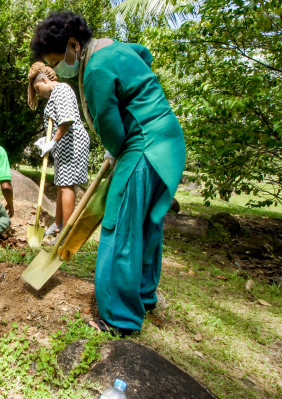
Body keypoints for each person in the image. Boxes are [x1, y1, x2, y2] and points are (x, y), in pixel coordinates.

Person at [30, 11, 187, 336]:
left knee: (120, 226)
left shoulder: (96, 69)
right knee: (146, 224)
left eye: (58, 61)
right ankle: (144, 298)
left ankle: (120, 319)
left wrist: (114, 151)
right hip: (167, 141)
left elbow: (112, 130)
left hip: (142, 145)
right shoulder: (113, 47)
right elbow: (145, 54)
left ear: (74, 45)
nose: (58, 70)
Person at [27, 61, 90, 241]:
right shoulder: (56, 93)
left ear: (45, 80)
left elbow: (67, 120)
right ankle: (58, 223)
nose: (39, 94)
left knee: (66, 185)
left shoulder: (61, 90)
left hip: (73, 142)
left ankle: (66, 233)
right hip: (64, 144)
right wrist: (46, 140)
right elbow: (55, 124)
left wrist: (52, 142)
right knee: (61, 184)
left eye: (38, 89)